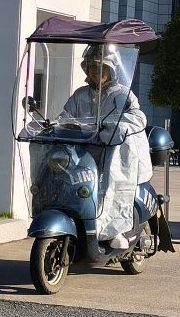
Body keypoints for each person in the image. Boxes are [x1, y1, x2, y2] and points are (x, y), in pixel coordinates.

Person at [60, 43, 152, 248]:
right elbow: (64, 117)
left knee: (112, 185)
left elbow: (138, 118)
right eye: (93, 66)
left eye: (102, 67)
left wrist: (112, 125)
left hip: (114, 153)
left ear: (111, 69)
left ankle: (116, 230)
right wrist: (58, 125)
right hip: (84, 153)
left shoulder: (123, 95)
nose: (97, 71)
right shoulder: (80, 95)